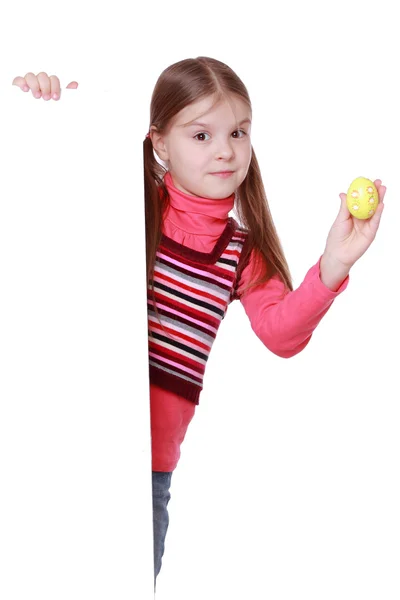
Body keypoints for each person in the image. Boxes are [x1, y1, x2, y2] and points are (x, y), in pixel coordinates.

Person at [12, 58, 386, 587]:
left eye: (238, 132)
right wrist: (43, 108)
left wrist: (334, 266)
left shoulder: (240, 251)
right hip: (77, 444)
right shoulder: (130, 206)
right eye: (202, 134)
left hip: (151, 471)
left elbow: (281, 335)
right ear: (160, 143)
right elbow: (48, 197)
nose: (226, 150)